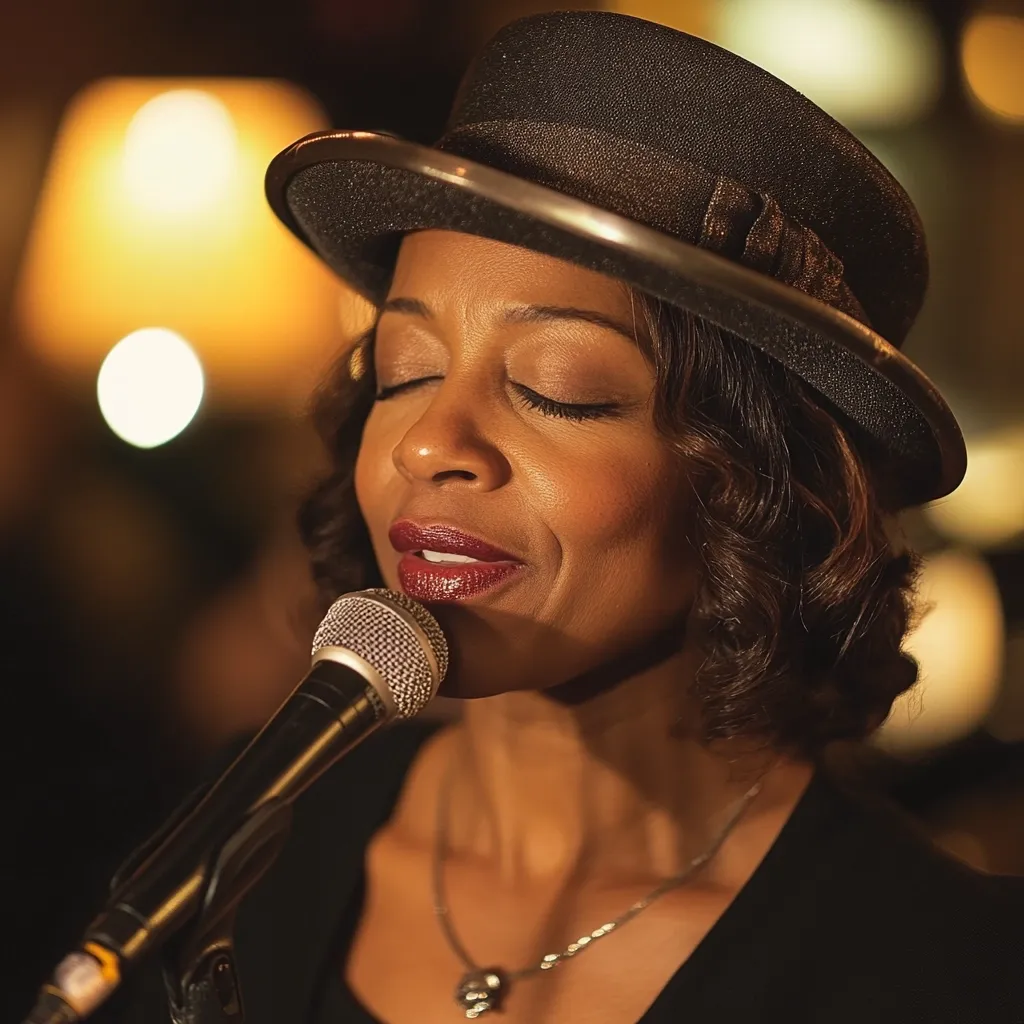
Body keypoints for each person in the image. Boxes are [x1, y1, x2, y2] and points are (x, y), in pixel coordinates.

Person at [94, 10, 1023, 1024]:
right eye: (404, 372)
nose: (426, 442)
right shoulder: (239, 852)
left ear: (760, 480)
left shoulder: (944, 968)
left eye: (557, 387)